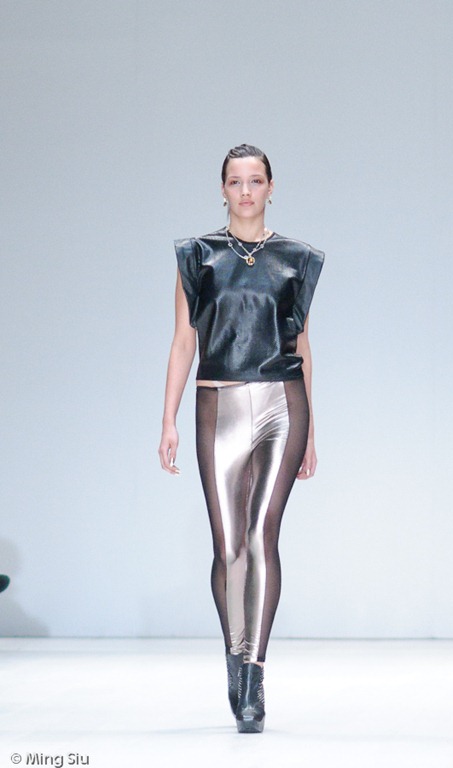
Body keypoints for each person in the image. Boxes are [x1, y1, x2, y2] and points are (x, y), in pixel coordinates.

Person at [158, 144, 324, 733]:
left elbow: (302, 346)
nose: (246, 191)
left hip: (282, 402)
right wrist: (168, 418)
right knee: (228, 545)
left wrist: (312, 429)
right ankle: (234, 650)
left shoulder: (296, 259)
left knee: (261, 535)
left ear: (272, 187)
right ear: (223, 189)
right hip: (218, 403)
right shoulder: (198, 256)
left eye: (256, 181)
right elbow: (183, 340)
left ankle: (253, 674)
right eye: (236, 181)